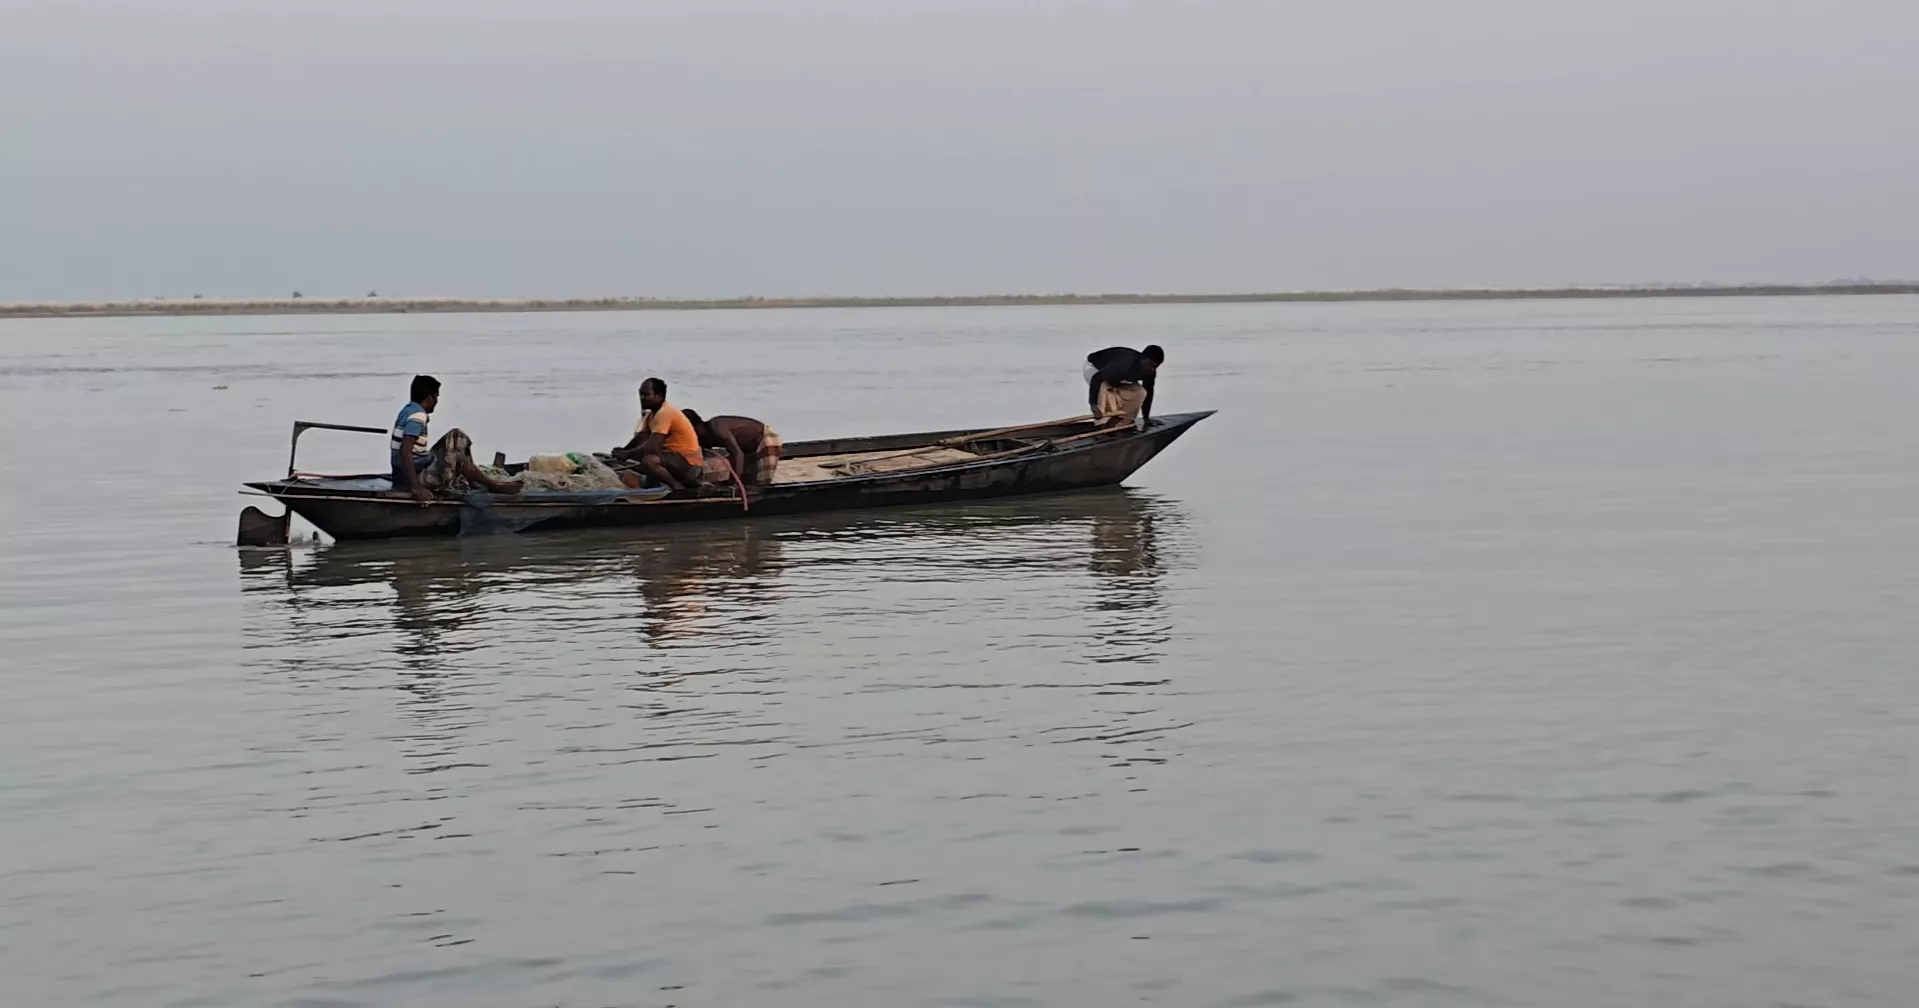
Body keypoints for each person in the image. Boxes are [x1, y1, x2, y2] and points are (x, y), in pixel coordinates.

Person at [390, 375, 522, 502]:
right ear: (430, 398)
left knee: (456, 435)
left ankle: (474, 480)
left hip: (411, 470)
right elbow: (405, 450)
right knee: (457, 457)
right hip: (411, 478)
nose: (437, 402)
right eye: (436, 397)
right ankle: (495, 486)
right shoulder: (418, 416)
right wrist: (416, 487)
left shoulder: (408, 410)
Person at [612, 377, 704, 490]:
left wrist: (628, 454)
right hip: (672, 457)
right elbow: (641, 438)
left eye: (647, 395)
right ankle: (652, 483)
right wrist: (624, 450)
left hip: (689, 464)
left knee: (649, 460)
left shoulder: (665, 413)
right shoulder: (650, 415)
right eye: (641, 394)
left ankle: (677, 486)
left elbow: (652, 446)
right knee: (642, 449)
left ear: (659, 396)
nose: (642, 398)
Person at [683, 410, 783, 486]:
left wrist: (735, 482)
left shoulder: (717, 427)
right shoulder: (703, 438)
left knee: (762, 482)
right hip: (748, 449)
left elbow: (738, 454)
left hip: (765, 439)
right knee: (749, 481)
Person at [1084, 344, 1162, 426]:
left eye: (1156, 367)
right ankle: (1102, 424)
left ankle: (1123, 421)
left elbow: (1148, 393)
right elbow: (1097, 378)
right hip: (1094, 368)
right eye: (1151, 365)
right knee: (1106, 389)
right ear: (1143, 359)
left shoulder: (1150, 372)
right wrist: (1093, 405)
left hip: (1115, 375)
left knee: (1140, 392)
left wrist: (1146, 418)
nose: (1152, 369)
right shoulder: (1123, 365)